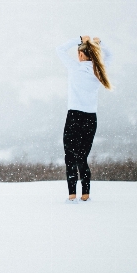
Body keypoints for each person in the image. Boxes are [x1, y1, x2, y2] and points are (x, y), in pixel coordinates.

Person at [56, 35, 112, 202]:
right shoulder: (98, 70)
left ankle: (72, 194)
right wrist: (98, 43)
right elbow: (111, 55)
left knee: (70, 156)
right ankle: (85, 194)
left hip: (74, 116)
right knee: (82, 157)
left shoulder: (74, 68)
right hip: (90, 118)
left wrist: (79, 39)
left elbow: (59, 49)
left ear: (80, 55)